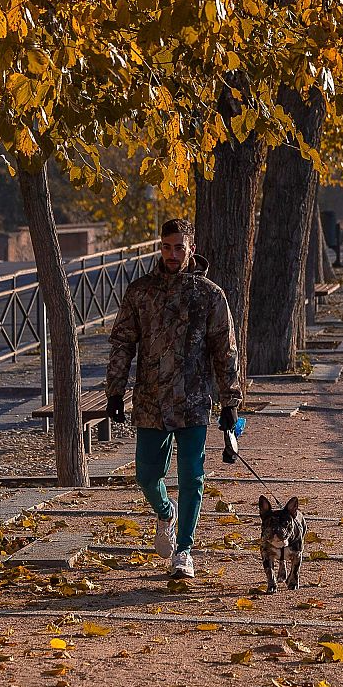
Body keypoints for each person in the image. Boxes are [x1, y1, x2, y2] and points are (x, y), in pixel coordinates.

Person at [104, 218, 241, 578]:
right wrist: (115, 390)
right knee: (147, 476)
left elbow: (224, 350)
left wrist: (230, 401)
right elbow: (122, 342)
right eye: (167, 246)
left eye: (179, 247)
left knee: (192, 477)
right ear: (159, 247)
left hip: (194, 399)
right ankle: (166, 512)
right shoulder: (140, 292)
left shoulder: (210, 295)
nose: (172, 254)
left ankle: (184, 551)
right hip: (150, 399)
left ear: (191, 248)